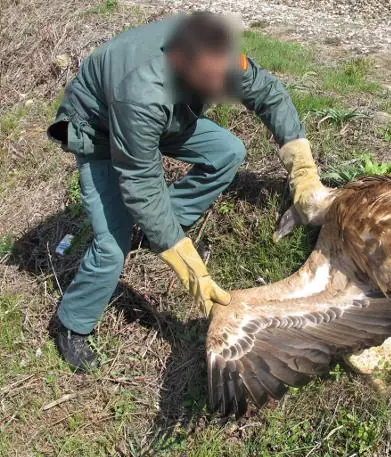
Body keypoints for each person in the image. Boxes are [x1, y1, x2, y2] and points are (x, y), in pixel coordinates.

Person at [46, 12, 323, 371]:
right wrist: (189, 266)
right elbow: (142, 183)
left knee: (227, 152)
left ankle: (156, 230)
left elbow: (267, 93)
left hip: (169, 113)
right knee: (112, 245)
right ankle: (72, 323)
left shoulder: (217, 56)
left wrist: (301, 165)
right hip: (99, 131)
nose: (220, 86)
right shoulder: (141, 93)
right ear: (181, 64)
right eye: (209, 80)